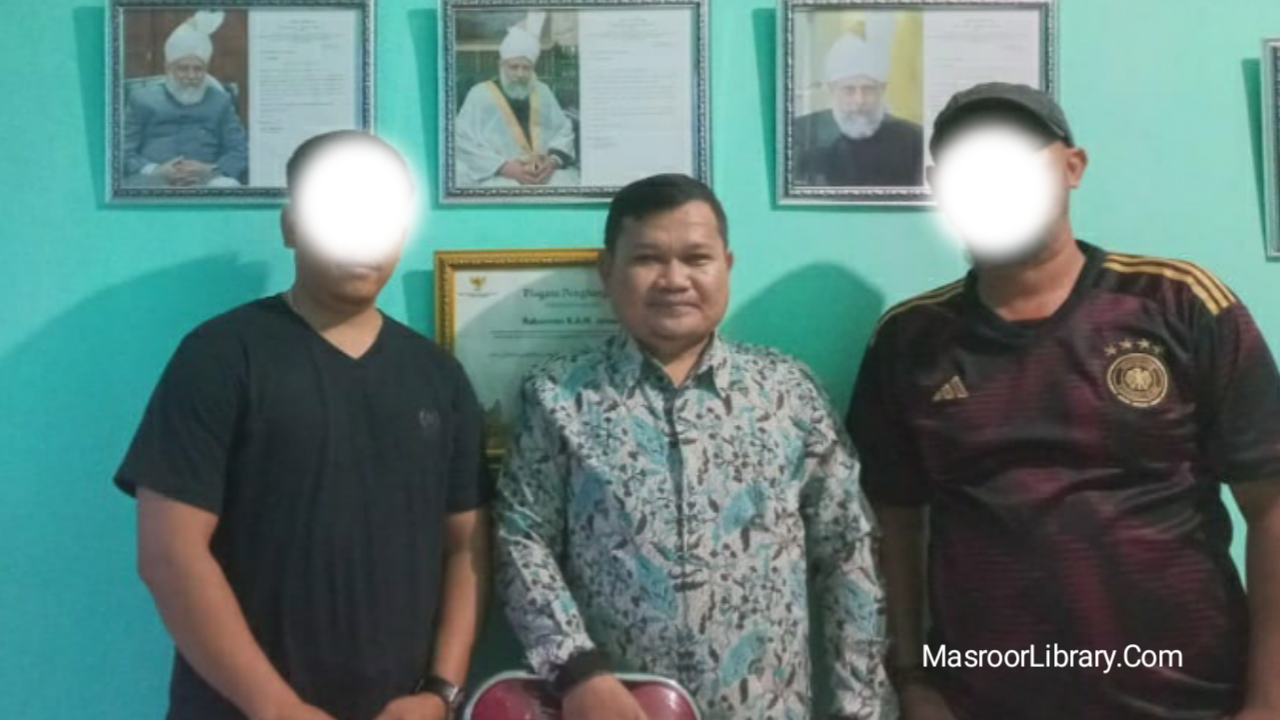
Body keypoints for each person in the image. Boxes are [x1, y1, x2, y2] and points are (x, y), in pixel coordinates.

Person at [847, 82, 1280, 720]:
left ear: (1073, 167)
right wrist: (913, 679)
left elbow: (1271, 505)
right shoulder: (910, 339)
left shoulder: (1179, 303)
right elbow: (893, 523)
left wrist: (1269, 701)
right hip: (985, 701)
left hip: (1189, 702)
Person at [115, 131, 491, 720]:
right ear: (291, 226)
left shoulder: (439, 376)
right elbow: (169, 555)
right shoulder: (220, 356)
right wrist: (275, 707)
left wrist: (440, 694)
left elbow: (467, 546)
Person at [495, 173, 894, 720]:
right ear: (607, 271)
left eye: (696, 258)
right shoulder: (558, 395)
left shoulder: (788, 394)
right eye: (647, 259)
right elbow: (521, 540)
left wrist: (861, 707)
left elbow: (848, 550)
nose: (674, 280)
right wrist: (577, 671)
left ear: (726, 266)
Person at [123, 11, 248, 188]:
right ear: (168, 68)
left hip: (208, 180)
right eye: (183, 69)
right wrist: (155, 170)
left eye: (198, 69)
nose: (191, 76)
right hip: (152, 180)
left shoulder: (220, 101)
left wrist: (209, 169)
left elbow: (239, 150)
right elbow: (123, 150)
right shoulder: (142, 99)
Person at [453, 13, 578, 188]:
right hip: (497, 174)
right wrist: (504, 167)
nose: (520, 74)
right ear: (501, 65)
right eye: (514, 67)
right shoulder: (479, 94)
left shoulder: (542, 91)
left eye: (526, 68)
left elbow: (563, 131)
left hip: (543, 174)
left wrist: (552, 162)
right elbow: (462, 140)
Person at [794, 23, 924, 188]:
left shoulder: (913, 139)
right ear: (831, 90)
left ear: (882, 90)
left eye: (868, 90)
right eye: (849, 90)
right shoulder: (801, 134)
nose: (860, 100)